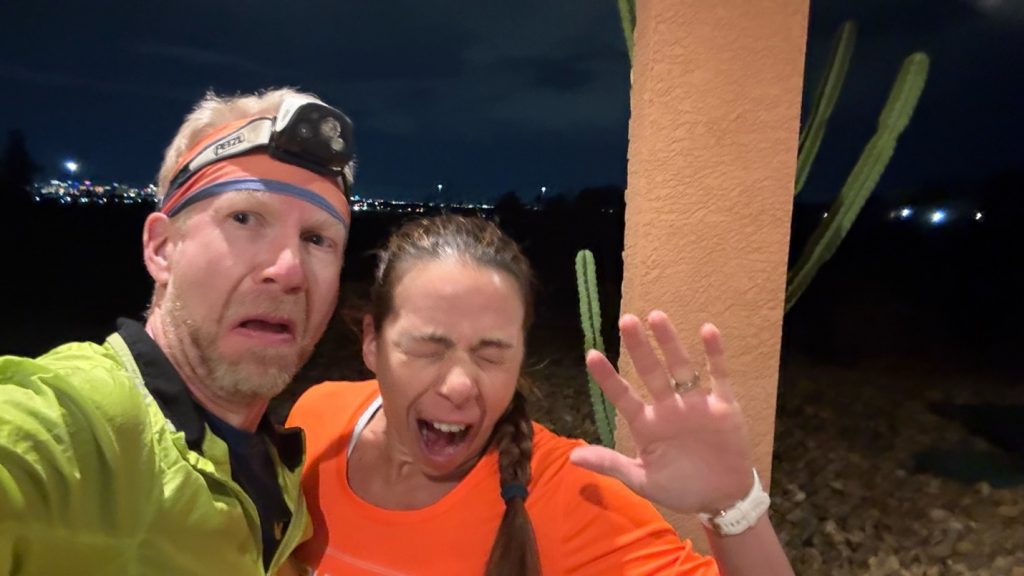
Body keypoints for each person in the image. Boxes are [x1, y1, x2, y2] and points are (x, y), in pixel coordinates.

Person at [288, 215, 794, 575]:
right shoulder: (317, 417)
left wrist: (734, 507)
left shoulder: (571, 491)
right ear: (372, 341)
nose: (460, 385)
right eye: (427, 347)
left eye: (491, 354)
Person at [0, 88, 356, 575]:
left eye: (317, 239)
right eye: (245, 218)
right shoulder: (83, 429)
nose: (289, 269)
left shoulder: (280, 470)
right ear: (162, 249)